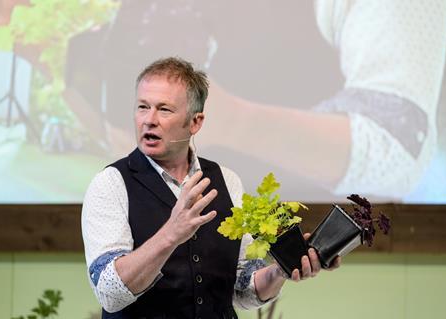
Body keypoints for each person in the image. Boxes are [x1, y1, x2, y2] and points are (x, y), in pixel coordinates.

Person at [81, 57, 340, 318]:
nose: (149, 120)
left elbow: (243, 289)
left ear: (195, 122)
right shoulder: (111, 184)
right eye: (142, 107)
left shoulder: (227, 181)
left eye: (164, 110)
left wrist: (279, 271)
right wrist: (171, 233)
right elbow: (109, 292)